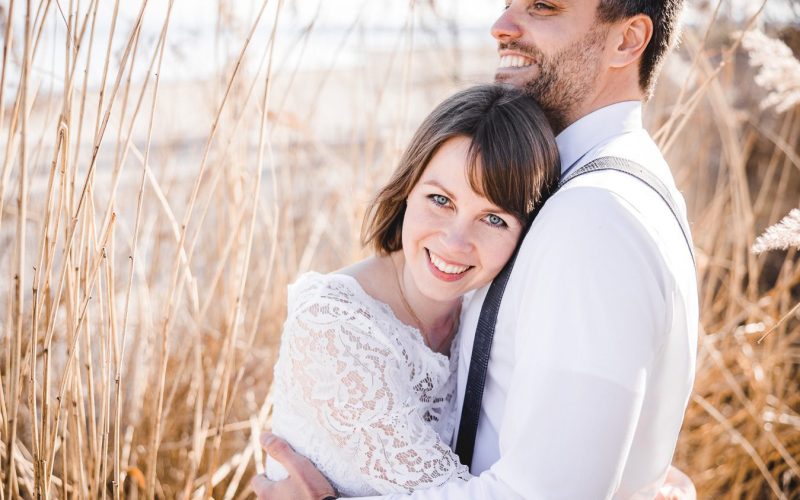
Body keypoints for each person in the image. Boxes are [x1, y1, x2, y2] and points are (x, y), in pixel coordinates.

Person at [253, 0, 699, 498]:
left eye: (543, 7)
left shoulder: (594, 215)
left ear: (628, 40)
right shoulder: (622, 185)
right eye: (507, 4)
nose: (501, 26)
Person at [264, 84, 561, 496]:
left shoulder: (486, 313)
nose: (455, 243)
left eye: (494, 219)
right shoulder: (333, 328)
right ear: (407, 189)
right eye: (440, 199)